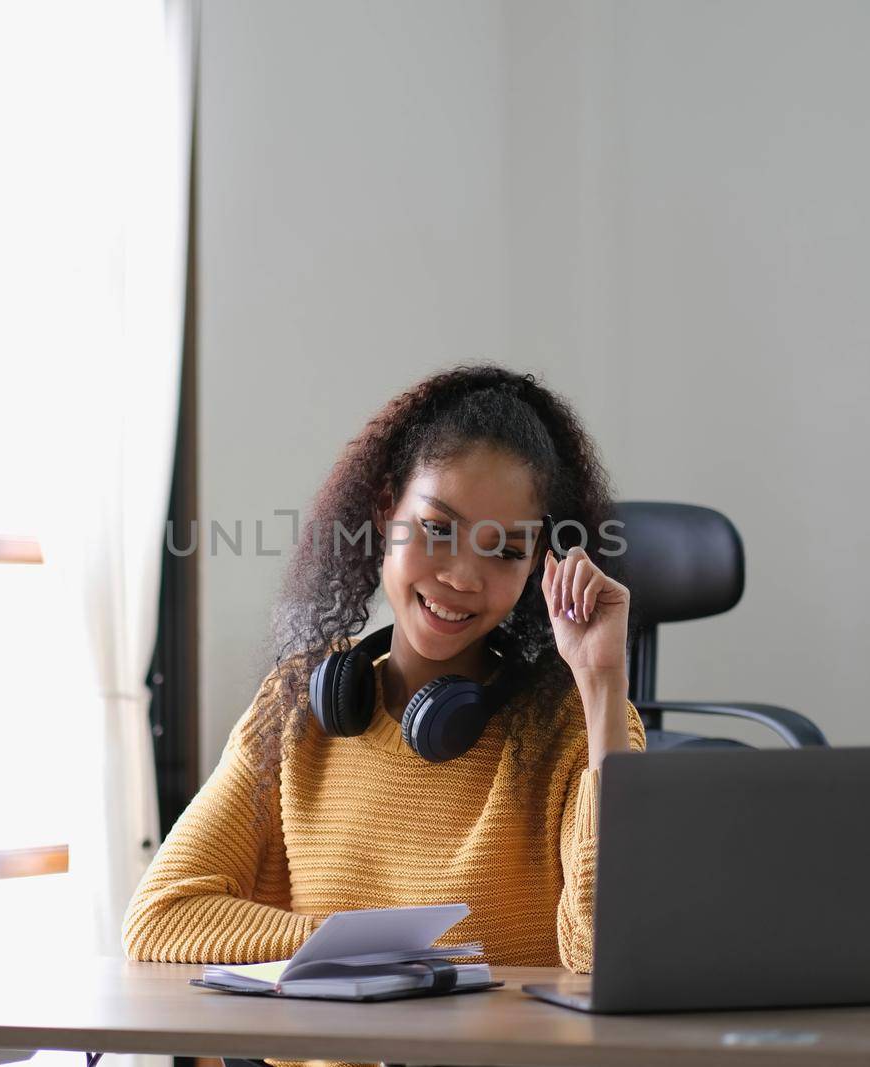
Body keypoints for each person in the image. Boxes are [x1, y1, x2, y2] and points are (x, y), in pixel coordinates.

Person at [121, 364, 647, 1067]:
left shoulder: (577, 723)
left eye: (505, 550)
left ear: (535, 569)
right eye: (437, 528)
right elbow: (161, 915)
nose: (462, 576)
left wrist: (604, 682)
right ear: (384, 511)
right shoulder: (295, 707)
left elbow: (603, 955)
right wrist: (381, 954)